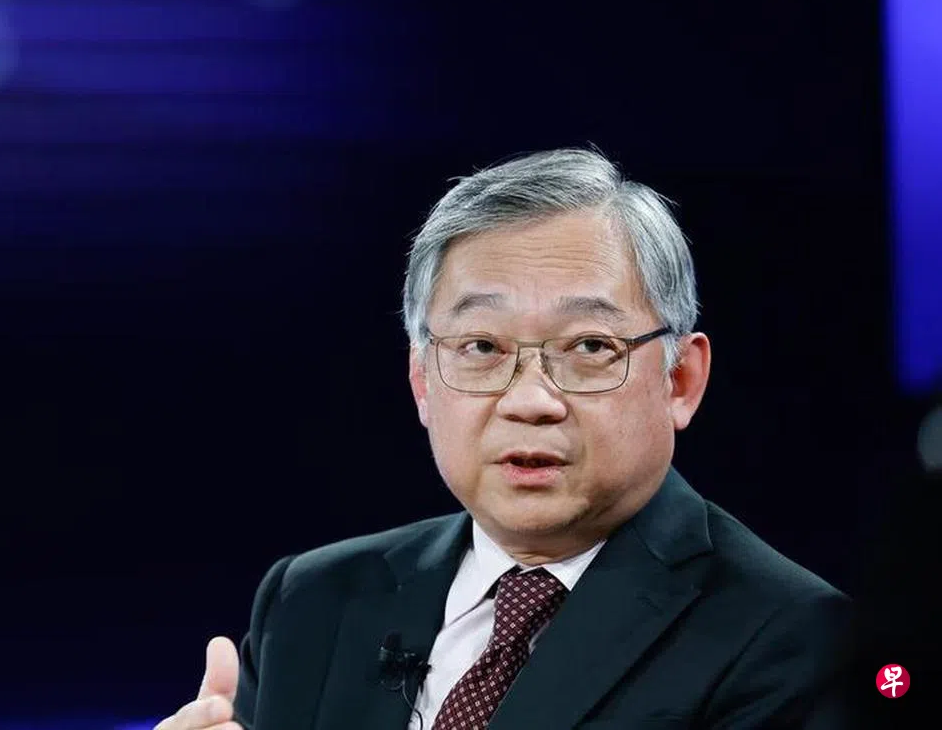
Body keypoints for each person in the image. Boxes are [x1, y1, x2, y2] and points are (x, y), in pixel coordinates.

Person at [155, 149, 854, 730]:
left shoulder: (792, 639)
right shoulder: (312, 600)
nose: (530, 401)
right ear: (422, 380)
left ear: (680, 380)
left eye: (589, 346)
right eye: (482, 346)